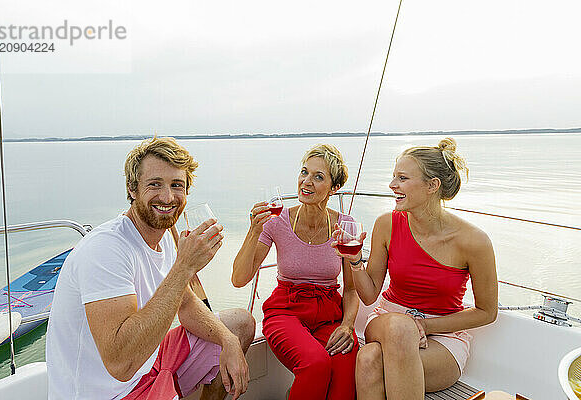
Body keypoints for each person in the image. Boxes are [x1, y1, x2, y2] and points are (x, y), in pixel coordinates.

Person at [46, 137, 255, 400]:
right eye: (155, 184)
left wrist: (227, 340)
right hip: (112, 391)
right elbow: (120, 364)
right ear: (132, 189)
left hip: (149, 362)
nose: (167, 197)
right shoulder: (106, 249)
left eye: (176, 185)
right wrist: (184, 267)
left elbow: (186, 304)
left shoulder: (164, 235)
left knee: (239, 325)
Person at [335, 138, 498, 399]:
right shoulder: (386, 224)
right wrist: (354, 258)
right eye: (393, 177)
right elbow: (368, 295)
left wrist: (426, 326)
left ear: (432, 185)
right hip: (387, 320)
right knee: (400, 328)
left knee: (368, 359)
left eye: (402, 178)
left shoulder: (474, 241)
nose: (392, 185)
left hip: (444, 334)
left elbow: (487, 312)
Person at [232, 144, 359, 400]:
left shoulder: (346, 225)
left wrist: (348, 325)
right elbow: (239, 279)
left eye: (318, 176)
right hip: (285, 310)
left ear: (334, 188)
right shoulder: (276, 221)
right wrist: (254, 230)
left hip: (329, 313)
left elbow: (352, 288)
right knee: (316, 364)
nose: (306, 182)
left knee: (346, 361)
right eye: (304, 172)